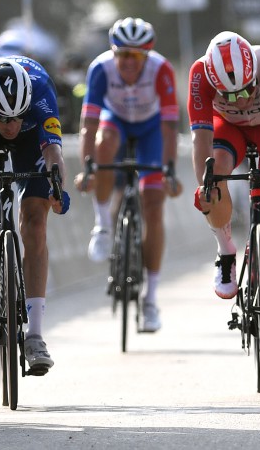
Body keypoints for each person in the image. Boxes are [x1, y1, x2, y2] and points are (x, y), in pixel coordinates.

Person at [188, 31, 260, 365]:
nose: (240, 99)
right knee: (216, 173)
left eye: (246, 89)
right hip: (228, 130)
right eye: (230, 93)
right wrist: (205, 187)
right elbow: (200, 138)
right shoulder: (200, 74)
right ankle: (226, 251)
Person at [0, 56, 70, 374]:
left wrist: (57, 187)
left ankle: (35, 335)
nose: (10, 126)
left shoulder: (40, 92)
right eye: (4, 119)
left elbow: (53, 151)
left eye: (15, 118)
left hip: (31, 137)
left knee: (35, 223)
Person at [74, 17, 183, 333]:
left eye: (135, 56)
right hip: (116, 122)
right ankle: (103, 226)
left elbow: (169, 126)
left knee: (153, 202)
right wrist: (88, 169)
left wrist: (170, 171)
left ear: (147, 55)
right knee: (104, 143)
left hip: (151, 129)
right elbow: (88, 124)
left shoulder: (160, 69)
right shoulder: (100, 69)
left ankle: (151, 299)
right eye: (122, 55)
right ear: (113, 53)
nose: (128, 62)